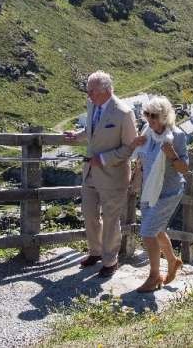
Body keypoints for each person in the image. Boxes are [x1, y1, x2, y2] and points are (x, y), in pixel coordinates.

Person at [64, 71, 137, 277]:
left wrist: (104, 159)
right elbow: (93, 131)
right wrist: (77, 136)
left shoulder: (124, 113)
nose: (89, 95)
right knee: (89, 213)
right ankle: (95, 252)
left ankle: (110, 261)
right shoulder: (92, 104)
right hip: (90, 172)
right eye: (88, 91)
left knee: (111, 219)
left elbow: (130, 146)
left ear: (107, 90)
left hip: (113, 175)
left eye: (92, 91)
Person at [129, 96, 188, 292]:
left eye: (153, 115)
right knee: (157, 229)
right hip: (149, 191)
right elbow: (141, 160)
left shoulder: (177, 136)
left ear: (164, 116)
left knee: (148, 232)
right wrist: (135, 144)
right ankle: (172, 261)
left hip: (168, 192)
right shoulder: (147, 131)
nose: (149, 118)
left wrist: (172, 155)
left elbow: (184, 169)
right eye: (147, 114)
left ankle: (154, 276)